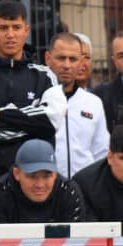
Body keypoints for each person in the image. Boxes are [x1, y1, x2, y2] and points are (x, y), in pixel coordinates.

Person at [0, 0, 63, 186]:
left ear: (26, 30)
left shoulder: (45, 76)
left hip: (32, 183)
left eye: (16, 27)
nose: (10, 34)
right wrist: (31, 127)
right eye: (3, 28)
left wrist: (1, 115)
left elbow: (52, 120)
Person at [43, 33, 109, 178]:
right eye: (61, 58)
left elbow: (101, 152)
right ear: (48, 59)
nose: (67, 65)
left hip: (86, 189)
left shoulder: (93, 103)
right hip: (46, 188)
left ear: (80, 62)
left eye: (73, 59)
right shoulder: (36, 100)